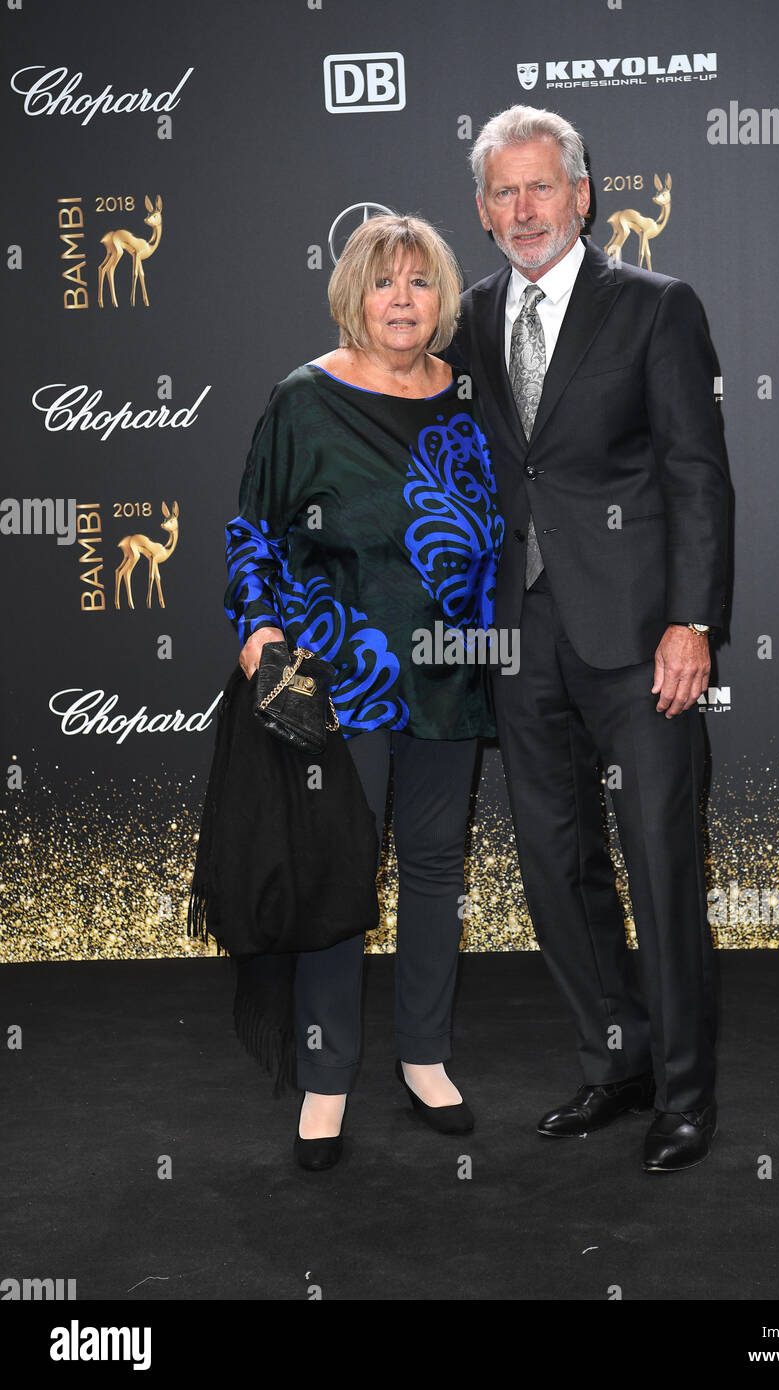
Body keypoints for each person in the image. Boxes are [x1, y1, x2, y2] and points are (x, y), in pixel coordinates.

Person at [448, 105, 731, 1172]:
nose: (524, 210)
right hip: (517, 640)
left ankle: (687, 1097)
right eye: (503, 193)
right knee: (557, 869)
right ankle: (615, 1062)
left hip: (640, 636)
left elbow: (697, 475)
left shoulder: (656, 308)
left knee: (660, 866)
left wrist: (691, 622)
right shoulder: (468, 318)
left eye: (541, 187)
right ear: (482, 212)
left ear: (583, 195)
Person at [224, 215, 503, 1171]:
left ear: (442, 300)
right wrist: (261, 638)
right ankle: (326, 1077)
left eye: (420, 283)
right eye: (384, 283)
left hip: (450, 672)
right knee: (337, 875)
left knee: (432, 869)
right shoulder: (304, 399)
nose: (401, 300)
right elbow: (251, 531)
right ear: (353, 292)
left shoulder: (466, 399)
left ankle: (425, 1057)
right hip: (339, 681)